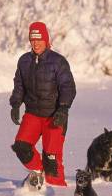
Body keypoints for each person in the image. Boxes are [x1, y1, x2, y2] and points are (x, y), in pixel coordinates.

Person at [9, 22, 76, 187]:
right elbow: (19, 85)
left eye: (39, 39)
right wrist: (16, 104)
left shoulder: (58, 61)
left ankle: (57, 191)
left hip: (54, 116)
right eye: (33, 40)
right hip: (32, 114)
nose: (36, 43)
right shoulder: (24, 61)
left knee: (52, 161)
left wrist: (63, 108)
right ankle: (39, 171)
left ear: (46, 40)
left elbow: (68, 87)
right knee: (21, 147)